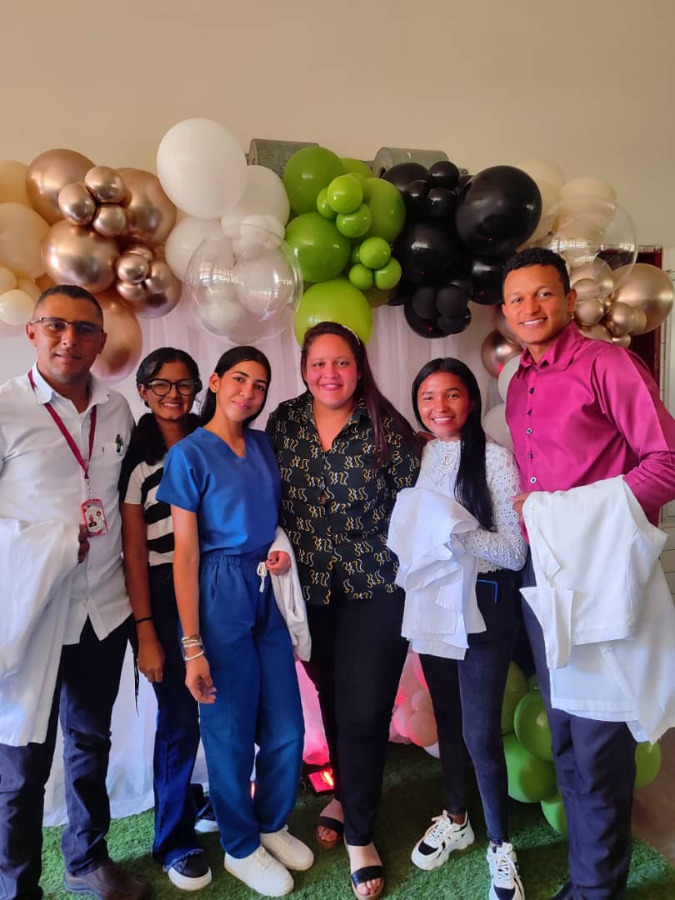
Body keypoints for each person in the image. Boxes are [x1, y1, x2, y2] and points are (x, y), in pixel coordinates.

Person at [501, 247, 675, 900]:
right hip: (544, 581)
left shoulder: (606, 365)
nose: (530, 308)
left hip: (602, 578)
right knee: (567, 739)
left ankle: (597, 890)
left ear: (570, 300)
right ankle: (586, 880)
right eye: (517, 299)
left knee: (600, 746)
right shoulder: (517, 382)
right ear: (505, 311)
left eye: (543, 294)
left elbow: (667, 461)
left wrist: (577, 516)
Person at [266, 321, 420, 900]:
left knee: (366, 707)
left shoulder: (387, 426)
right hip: (309, 588)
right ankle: (345, 792)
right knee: (332, 694)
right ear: (304, 368)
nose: (329, 374)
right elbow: (265, 493)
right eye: (319, 363)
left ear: (359, 368)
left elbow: (416, 507)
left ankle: (360, 832)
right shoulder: (284, 421)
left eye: (342, 363)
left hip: (377, 584)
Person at [0, 285, 145, 900]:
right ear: (32, 331)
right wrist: (57, 542)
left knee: (90, 741)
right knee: (21, 761)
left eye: (85, 328)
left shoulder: (117, 410)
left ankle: (86, 858)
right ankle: (16, 888)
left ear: (101, 341)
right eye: (56, 325)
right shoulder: (5, 408)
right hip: (33, 612)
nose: (70, 339)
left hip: (101, 610)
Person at [156, 347, 311, 898]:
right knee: (228, 731)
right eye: (240, 379)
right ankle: (240, 846)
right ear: (216, 382)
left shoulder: (264, 446)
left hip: (266, 586)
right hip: (218, 590)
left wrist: (279, 552)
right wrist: (191, 646)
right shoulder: (189, 455)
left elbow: (271, 521)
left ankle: (270, 823)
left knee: (287, 726)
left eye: (260, 385)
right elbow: (185, 555)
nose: (249, 392)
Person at [393, 358, 527, 900]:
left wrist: (452, 534)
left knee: (479, 734)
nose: (439, 406)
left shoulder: (495, 459)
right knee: (447, 720)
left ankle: (501, 846)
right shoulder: (425, 455)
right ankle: (456, 818)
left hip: (485, 608)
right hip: (433, 604)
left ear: (470, 400)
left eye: (451, 394)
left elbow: (514, 553)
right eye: (428, 396)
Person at [120, 348, 218, 891]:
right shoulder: (139, 465)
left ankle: (217, 802)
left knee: (226, 707)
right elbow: (135, 554)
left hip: (218, 586)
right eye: (161, 385)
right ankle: (174, 840)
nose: (175, 395)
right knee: (179, 720)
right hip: (161, 592)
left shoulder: (213, 444)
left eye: (185, 385)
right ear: (143, 390)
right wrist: (147, 633)